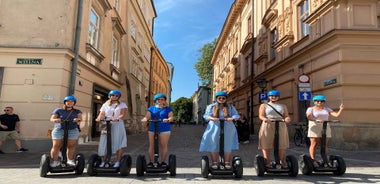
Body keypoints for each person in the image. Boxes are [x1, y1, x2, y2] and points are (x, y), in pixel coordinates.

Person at [199, 91, 240, 169]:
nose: (221, 99)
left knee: (227, 144)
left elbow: (236, 115)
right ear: (216, 99)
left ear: (226, 99)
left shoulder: (230, 107)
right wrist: (212, 118)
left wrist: (232, 118)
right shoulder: (211, 106)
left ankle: (227, 162)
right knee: (213, 143)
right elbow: (206, 115)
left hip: (228, 127)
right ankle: (214, 162)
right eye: (219, 98)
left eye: (223, 98)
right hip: (214, 127)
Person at [306, 95, 344, 167]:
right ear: (314, 102)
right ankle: (313, 160)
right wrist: (316, 120)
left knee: (324, 144)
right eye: (317, 101)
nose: (319, 102)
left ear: (324, 102)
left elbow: (336, 115)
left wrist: (341, 109)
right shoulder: (310, 109)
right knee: (314, 143)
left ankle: (325, 160)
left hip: (325, 126)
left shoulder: (327, 109)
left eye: (321, 101)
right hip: (315, 126)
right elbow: (309, 116)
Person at [258, 89, 291, 169]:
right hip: (268, 124)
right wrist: (265, 119)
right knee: (266, 143)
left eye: (276, 96)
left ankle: (281, 161)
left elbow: (286, 115)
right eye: (271, 96)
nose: (273, 97)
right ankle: (267, 162)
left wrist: (287, 118)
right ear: (269, 97)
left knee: (281, 143)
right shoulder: (264, 105)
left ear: (278, 97)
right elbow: (261, 115)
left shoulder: (283, 106)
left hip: (280, 124)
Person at [95, 89, 128, 168]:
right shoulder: (105, 104)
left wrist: (116, 118)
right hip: (106, 124)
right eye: (113, 95)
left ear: (119, 97)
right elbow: (102, 114)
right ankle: (104, 161)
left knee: (119, 142)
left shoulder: (122, 104)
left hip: (117, 124)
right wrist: (99, 118)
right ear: (110, 96)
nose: (114, 97)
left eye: (116, 96)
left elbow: (122, 114)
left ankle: (118, 162)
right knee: (104, 142)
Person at [141, 93, 174, 168]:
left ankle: (162, 162)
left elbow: (171, 117)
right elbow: (147, 116)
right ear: (155, 100)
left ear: (164, 101)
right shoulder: (151, 108)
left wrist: (168, 119)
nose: (160, 101)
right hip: (153, 128)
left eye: (162, 99)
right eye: (158, 99)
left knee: (163, 145)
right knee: (151, 145)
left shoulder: (167, 109)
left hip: (164, 128)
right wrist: (145, 119)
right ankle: (151, 162)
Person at [49, 96, 82, 167]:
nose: (69, 103)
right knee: (56, 146)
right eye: (68, 101)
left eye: (71, 102)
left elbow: (80, 118)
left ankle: (70, 160)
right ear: (65, 102)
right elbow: (52, 119)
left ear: (74, 103)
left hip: (72, 129)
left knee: (71, 146)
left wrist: (77, 119)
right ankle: (55, 161)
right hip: (59, 129)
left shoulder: (77, 111)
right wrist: (56, 120)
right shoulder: (58, 110)